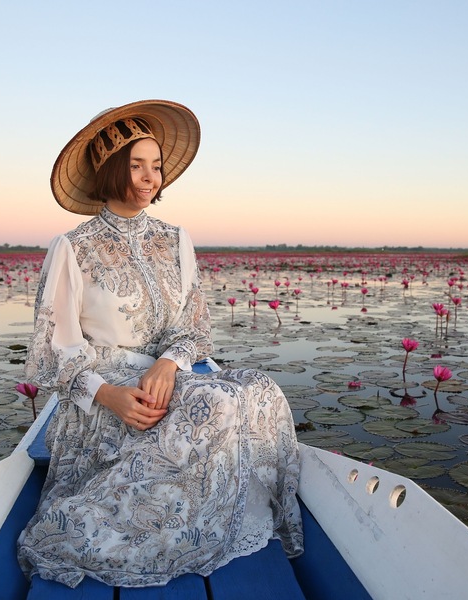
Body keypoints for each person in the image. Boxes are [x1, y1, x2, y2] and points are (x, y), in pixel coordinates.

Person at [17, 100, 303, 589]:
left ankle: (222, 512)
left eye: (156, 166)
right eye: (135, 165)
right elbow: (52, 350)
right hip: (106, 393)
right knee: (214, 399)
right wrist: (108, 395)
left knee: (260, 387)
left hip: (168, 377)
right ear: (109, 171)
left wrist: (170, 363)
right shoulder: (73, 246)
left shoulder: (176, 240)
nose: (150, 177)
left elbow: (193, 326)